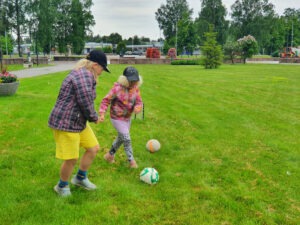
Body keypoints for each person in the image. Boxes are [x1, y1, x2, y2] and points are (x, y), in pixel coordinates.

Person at [48, 50, 110, 197]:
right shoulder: (84, 75)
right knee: (71, 158)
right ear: (95, 65)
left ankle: (80, 178)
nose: (101, 72)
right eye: (102, 68)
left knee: (93, 148)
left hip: (77, 120)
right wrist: (95, 117)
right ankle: (61, 186)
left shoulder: (85, 73)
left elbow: (84, 101)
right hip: (66, 121)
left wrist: (92, 116)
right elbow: (85, 101)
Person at [99, 66, 143, 168]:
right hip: (116, 118)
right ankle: (131, 161)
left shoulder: (136, 89)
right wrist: (102, 113)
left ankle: (109, 155)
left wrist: (137, 108)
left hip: (127, 118)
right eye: (131, 81)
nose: (133, 83)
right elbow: (106, 100)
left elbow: (139, 102)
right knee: (126, 139)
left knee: (121, 138)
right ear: (125, 80)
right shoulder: (117, 89)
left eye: (135, 81)